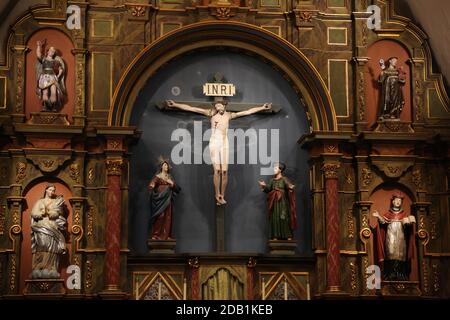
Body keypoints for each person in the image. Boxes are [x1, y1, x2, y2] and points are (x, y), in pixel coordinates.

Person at [166, 99, 271, 205]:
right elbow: (192, 108)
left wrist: (262, 107)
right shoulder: (210, 113)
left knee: (224, 171)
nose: (217, 107)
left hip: (225, 143)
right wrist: (175, 104)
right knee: (217, 170)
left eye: (219, 105)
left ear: (224, 105)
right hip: (214, 143)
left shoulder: (229, 115)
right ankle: (217, 194)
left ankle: (222, 195)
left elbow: (247, 112)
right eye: (216, 105)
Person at [372, 194, 416, 281]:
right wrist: (379, 216)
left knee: (401, 254)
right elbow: (383, 222)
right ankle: (390, 273)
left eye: (400, 201)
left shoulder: (404, 214)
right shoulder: (388, 214)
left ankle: (401, 274)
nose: (398, 202)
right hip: (390, 236)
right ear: (393, 202)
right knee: (391, 252)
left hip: (401, 236)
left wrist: (409, 223)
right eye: (396, 200)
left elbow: (408, 229)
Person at [30, 184, 67, 279]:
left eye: (53, 190)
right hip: (41, 226)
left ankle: (51, 267)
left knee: (52, 247)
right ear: (46, 190)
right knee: (42, 245)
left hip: (52, 226)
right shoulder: (40, 201)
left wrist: (53, 213)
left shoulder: (56, 202)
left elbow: (59, 214)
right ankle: (38, 266)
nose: (52, 192)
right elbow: (34, 213)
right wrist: (42, 213)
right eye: (50, 189)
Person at [258, 162, 297, 240]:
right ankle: (275, 235)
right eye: (274, 168)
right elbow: (268, 189)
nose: (274, 169)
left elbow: (289, 186)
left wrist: (291, 188)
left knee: (284, 217)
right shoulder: (272, 180)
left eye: (275, 168)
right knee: (275, 218)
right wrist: (264, 186)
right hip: (274, 202)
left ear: (280, 169)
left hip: (282, 202)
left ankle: (288, 235)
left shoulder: (284, 179)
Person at [149, 158, 180, 240]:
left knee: (168, 217)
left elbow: (177, 189)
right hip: (159, 199)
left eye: (167, 165)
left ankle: (166, 235)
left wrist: (172, 184)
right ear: (161, 167)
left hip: (168, 200)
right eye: (165, 165)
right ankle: (156, 235)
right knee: (160, 216)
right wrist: (152, 186)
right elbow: (152, 184)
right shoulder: (158, 176)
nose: (167, 166)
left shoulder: (170, 177)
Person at [36, 40, 66, 112]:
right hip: (44, 77)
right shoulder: (43, 59)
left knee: (53, 92)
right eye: (51, 50)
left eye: (53, 51)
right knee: (45, 92)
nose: (52, 51)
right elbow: (38, 54)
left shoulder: (56, 61)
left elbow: (61, 69)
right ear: (48, 52)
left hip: (52, 77)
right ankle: (45, 107)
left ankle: (53, 107)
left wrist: (58, 75)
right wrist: (39, 46)